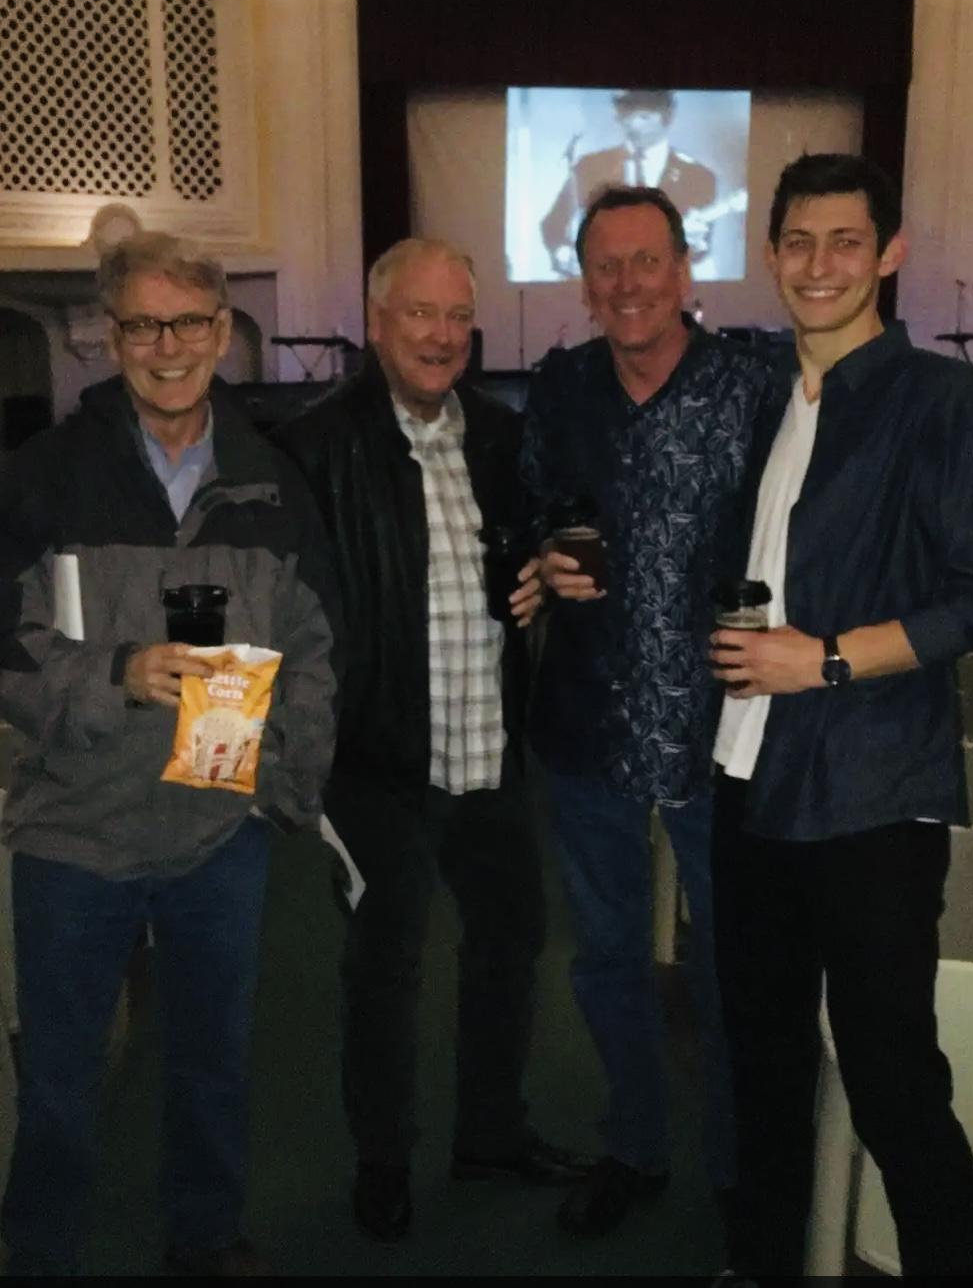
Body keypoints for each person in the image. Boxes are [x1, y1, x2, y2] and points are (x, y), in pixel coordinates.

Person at [0, 232, 342, 1277]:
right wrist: (114, 673)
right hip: (75, 833)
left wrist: (281, 784)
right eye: (142, 325)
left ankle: (203, 1236)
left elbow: (315, 649)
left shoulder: (273, 483)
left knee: (213, 1063)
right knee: (62, 1080)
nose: (166, 346)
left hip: (218, 829)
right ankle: (43, 1252)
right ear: (111, 337)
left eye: (187, 323)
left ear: (222, 333)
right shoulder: (44, 476)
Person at [709, 153, 973, 1280]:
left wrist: (829, 660)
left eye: (846, 241)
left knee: (894, 1082)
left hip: (870, 791)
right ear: (771, 254)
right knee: (761, 1059)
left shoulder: (938, 401)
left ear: (890, 252)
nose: (820, 264)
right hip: (746, 776)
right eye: (799, 242)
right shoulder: (764, 396)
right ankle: (764, 1261)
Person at [276, 237, 587, 1245]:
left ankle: (490, 1134)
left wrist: (547, 567)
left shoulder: (501, 435)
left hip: (488, 749)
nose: (443, 335)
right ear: (377, 323)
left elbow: (542, 541)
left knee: (509, 943)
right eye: (421, 313)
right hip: (377, 762)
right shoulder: (315, 447)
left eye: (458, 316)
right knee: (387, 968)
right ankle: (383, 1160)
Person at [520, 185, 768, 1236]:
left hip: (728, 723)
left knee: (730, 961)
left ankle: (739, 1164)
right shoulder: (561, 386)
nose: (627, 283)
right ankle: (635, 1145)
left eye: (646, 260)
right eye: (606, 265)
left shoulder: (752, 385)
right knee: (609, 957)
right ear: (585, 284)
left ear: (684, 270)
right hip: (589, 720)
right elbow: (530, 509)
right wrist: (539, 554)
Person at [541, 90, 723, 277]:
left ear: (666, 118)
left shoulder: (699, 176)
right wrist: (564, 254)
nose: (634, 125)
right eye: (628, 116)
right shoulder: (589, 166)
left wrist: (693, 245)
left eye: (644, 117)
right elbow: (553, 224)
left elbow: (700, 251)